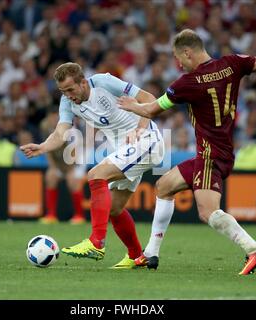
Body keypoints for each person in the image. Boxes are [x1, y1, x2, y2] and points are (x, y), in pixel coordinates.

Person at [118, 29, 256, 275]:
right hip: (218, 151)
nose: (178, 64)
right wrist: (249, 65)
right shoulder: (232, 63)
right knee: (164, 186)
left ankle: (253, 249)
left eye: (179, 58)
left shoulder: (187, 83)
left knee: (208, 212)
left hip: (210, 156)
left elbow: (152, 110)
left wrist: (133, 105)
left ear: (187, 52)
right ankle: (151, 254)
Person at [20, 62, 164, 269]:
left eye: (70, 89)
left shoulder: (104, 82)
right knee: (114, 208)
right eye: (63, 91)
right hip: (126, 149)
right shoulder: (67, 102)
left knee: (96, 175)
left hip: (147, 140)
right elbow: (61, 133)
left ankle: (97, 242)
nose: (68, 95)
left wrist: (140, 130)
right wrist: (42, 147)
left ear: (83, 82)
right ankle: (136, 256)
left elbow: (149, 99)